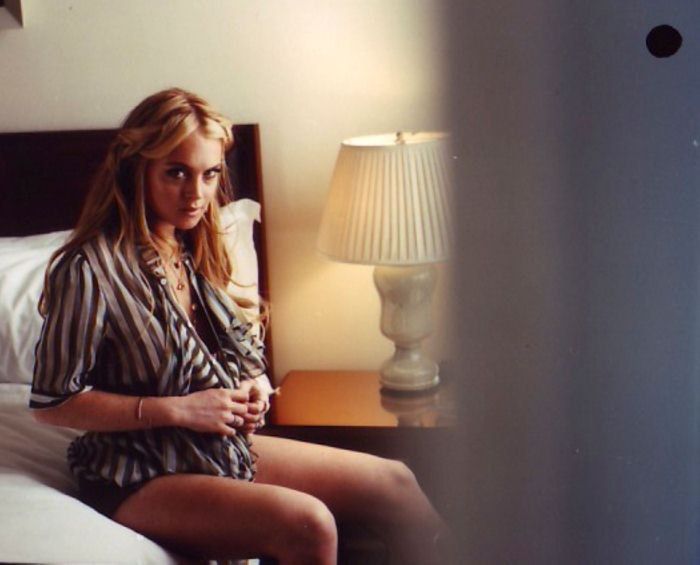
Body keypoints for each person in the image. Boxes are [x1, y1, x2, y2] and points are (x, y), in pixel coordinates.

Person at [29, 88, 445, 564]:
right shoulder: (89, 269)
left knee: (394, 481)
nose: (196, 194)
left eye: (209, 174)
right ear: (135, 169)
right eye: (176, 173)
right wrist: (180, 411)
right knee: (310, 523)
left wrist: (251, 391)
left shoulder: (192, 249)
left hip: (210, 448)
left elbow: (222, 358)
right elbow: (53, 403)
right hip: (134, 471)